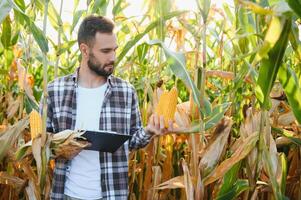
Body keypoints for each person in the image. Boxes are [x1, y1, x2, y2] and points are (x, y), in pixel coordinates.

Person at [45, 15, 174, 200]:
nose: (113, 57)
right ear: (85, 50)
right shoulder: (55, 90)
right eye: (105, 51)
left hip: (111, 194)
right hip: (67, 193)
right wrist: (61, 148)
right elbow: (41, 144)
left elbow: (132, 142)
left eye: (114, 50)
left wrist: (149, 130)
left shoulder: (126, 91)